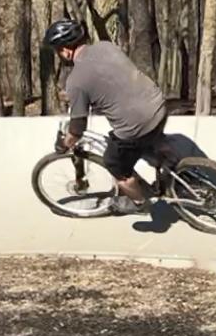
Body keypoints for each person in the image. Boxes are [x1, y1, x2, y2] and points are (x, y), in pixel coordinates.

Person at [43, 19, 168, 215]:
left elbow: (77, 129)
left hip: (136, 125)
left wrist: (64, 145)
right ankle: (173, 164)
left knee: (113, 161)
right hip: (158, 104)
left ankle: (138, 202)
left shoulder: (76, 81)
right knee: (135, 138)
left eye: (57, 51)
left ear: (66, 50)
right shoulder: (106, 46)